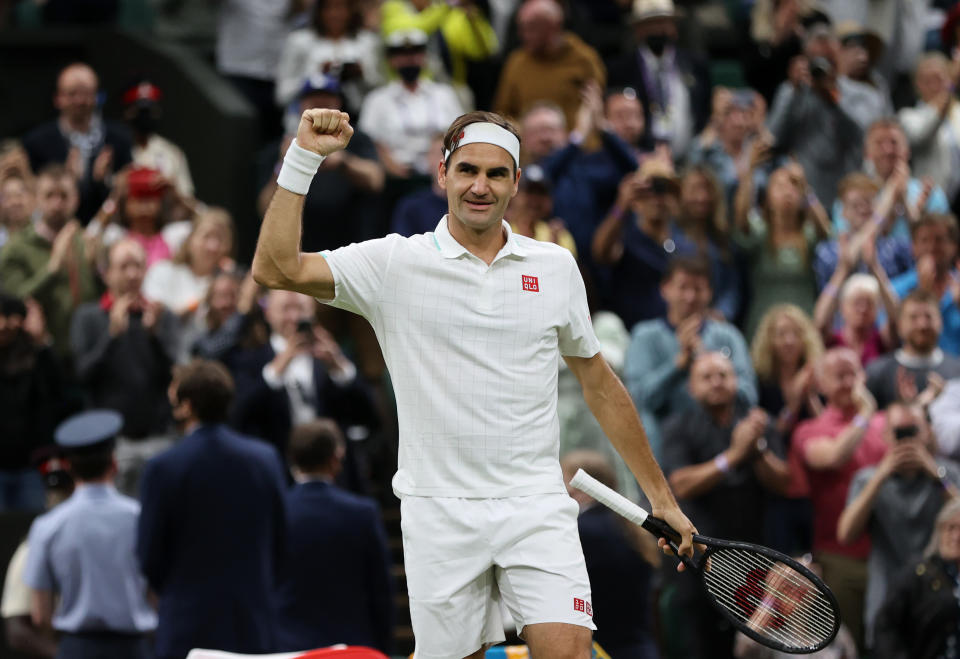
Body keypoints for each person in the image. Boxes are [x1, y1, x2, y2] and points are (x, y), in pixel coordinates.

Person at [251, 107, 698, 658]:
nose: (479, 186)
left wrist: (662, 498)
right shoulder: (394, 263)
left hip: (535, 505)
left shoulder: (556, 268)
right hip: (438, 512)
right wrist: (303, 160)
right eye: (467, 170)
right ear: (442, 175)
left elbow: (601, 385)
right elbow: (275, 269)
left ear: (515, 183)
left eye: (495, 173)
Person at [137, 359, 287, 659]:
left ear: (186, 406)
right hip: (253, 622)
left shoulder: (162, 467)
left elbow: (149, 556)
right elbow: (280, 542)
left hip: (187, 624)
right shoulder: (265, 458)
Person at [661, 351, 791, 658]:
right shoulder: (679, 426)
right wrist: (732, 457)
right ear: (691, 388)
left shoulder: (758, 424)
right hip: (698, 564)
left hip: (752, 562)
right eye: (707, 377)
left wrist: (757, 448)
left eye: (723, 375)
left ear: (737, 381)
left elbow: (784, 483)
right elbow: (680, 484)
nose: (716, 383)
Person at [23, 409, 157, 659]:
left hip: (76, 647)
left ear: (69, 468)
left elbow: (40, 613)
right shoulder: (140, 518)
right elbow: (156, 592)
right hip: (134, 647)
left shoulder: (48, 525)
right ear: (114, 464)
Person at [837, 401, 960, 646]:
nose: (907, 441)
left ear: (927, 430)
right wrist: (881, 476)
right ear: (884, 436)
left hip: (940, 600)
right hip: (886, 594)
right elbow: (846, 534)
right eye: (899, 433)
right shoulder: (868, 479)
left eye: (912, 431)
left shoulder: (948, 474)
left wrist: (936, 475)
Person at [791, 347, 888, 648]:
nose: (848, 383)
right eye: (839, 376)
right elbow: (832, 457)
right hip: (839, 557)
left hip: (888, 555)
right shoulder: (809, 429)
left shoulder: (885, 423)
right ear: (821, 385)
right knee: (845, 644)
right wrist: (864, 417)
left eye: (853, 374)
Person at [69, 239, 179, 497]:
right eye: (124, 267)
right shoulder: (89, 317)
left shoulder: (161, 315)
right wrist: (112, 336)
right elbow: (82, 376)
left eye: (138, 266)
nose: (133, 274)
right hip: (112, 443)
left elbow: (175, 374)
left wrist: (154, 338)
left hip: (158, 438)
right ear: (106, 273)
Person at [276, 419, 393, 653]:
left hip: (289, 645)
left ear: (292, 458)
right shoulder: (362, 513)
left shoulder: (275, 514)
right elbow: (381, 589)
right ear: (336, 458)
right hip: (353, 646)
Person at [624, 256, 756, 457]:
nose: (690, 297)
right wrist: (679, 365)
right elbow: (639, 399)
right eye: (683, 287)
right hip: (664, 445)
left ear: (710, 293)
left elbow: (749, 396)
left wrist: (712, 379)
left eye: (698, 289)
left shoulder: (728, 335)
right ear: (665, 289)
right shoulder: (645, 336)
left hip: (721, 441)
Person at [230, 288, 378, 459]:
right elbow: (239, 415)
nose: (294, 317)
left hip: (331, 464)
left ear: (312, 311)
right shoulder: (250, 360)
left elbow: (368, 414)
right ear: (268, 312)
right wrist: (276, 370)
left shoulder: (332, 356)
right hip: (278, 461)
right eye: (285, 309)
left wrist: (340, 367)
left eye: (300, 309)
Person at [260, 74, 385, 251]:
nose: (321, 110)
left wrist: (343, 162)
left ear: (338, 104)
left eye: (326, 102)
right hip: (300, 248)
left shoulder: (355, 139)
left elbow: (376, 180)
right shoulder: (284, 147)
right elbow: (265, 208)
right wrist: (286, 163)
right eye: (314, 103)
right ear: (301, 106)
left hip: (351, 247)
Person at [561, 450, 659, 659]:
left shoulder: (577, 532)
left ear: (584, 488)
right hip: (642, 650)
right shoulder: (633, 529)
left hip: (600, 652)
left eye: (564, 482)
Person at [0, 165, 97, 363]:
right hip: (37, 360)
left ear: (76, 199)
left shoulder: (85, 242)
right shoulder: (15, 248)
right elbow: (13, 304)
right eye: (49, 195)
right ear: (36, 199)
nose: (57, 203)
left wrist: (98, 269)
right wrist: (52, 268)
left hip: (87, 355)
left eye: (64, 196)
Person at [766, 18, 863, 208]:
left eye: (829, 61)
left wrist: (833, 100)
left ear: (838, 56)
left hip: (846, 197)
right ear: (805, 59)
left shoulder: (858, 93)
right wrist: (795, 92)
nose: (823, 69)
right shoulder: (790, 91)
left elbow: (862, 137)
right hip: (805, 198)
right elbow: (772, 140)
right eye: (817, 61)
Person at [750, 304, 824, 554]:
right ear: (770, 340)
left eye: (795, 333)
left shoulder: (817, 378)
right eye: (781, 334)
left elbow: (825, 427)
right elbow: (772, 433)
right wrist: (793, 403)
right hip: (776, 483)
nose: (789, 341)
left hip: (814, 480)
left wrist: (810, 395)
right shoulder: (762, 381)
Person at [20, 63, 133, 222]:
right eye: (72, 94)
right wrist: (64, 181)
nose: (80, 100)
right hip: (54, 225)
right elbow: (29, 193)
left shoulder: (119, 138)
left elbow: (128, 191)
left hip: (108, 225)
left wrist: (106, 181)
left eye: (87, 93)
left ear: (96, 96)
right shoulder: (36, 142)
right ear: (58, 98)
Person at [592, 158, 697, 328]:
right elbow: (600, 252)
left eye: (664, 190)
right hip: (628, 334)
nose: (657, 198)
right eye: (649, 191)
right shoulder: (625, 237)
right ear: (636, 199)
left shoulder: (684, 246)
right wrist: (622, 206)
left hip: (670, 334)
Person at [733, 160, 830, 340]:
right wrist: (749, 173)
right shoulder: (759, 232)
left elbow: (827, 234)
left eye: (793, 186)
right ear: (767, 197)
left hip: (804, 326)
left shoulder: (808, 234)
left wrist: (806, 189)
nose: (787, 192)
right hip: (764, 328)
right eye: (779, 186)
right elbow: (740, 225)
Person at [607, 0, 711, 159]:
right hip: (639, 161)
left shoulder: (695, 66)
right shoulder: (620, 71)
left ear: (673, 27)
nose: (657, 30)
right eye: (650, 24)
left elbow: (705, 110)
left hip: (691, 160)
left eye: (662, 22)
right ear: (638, 30)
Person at [359, 29, 464, 181]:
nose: (410, 60)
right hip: (396, 177)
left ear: (424, 57)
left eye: (416, 54)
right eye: (402, 55)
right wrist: (389, 165)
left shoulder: (444, 94)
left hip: (441, 175)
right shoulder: (377, 99)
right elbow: (369, 140)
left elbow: (460, 133)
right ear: (391, 60)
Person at [493, 0, 606, 131]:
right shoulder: (516, 62)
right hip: (527, 146)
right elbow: (502, 113)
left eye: (531, 27)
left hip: (575, 144)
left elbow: (594, 109)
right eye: (521, 27)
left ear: (554, 26)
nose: (523, 35)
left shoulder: (584, 59)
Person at [1, 454, 73, 658]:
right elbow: (16, 630)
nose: (56, 501)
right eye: (53, 494)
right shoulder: (34, 546)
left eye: (65, 493)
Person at [873, 497, 960, 659]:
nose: (956, 536)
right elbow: (886, 626)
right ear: (939, 531)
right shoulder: (918, 573)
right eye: (950, 528)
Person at [0, 293, 64, 512]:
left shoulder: (35, 356)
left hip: (30, 466)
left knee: (29, 530)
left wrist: (41, 341)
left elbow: (57, 391)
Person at [842, 119, 950, 240]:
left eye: (894, 143)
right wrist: (892, 196)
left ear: (907, 150)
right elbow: (845, 240)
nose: (888, 150)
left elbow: (941, 243)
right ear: (866, 152)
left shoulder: (932, 194)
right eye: (879, 143)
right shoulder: (852, 196)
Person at [275, 0, 383, 113]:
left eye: (341, 7)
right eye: (328, 8)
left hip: (356, 117)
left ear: (352, 10)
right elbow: (282, 95)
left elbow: (382, 90)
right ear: (318, 11)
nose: (334, 14)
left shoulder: (368, 42)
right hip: (309, 117)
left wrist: (361, 75)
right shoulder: (299, 41)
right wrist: (317, 76)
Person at [812, 171, 913, 291]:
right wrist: (886, 204)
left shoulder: (896, 248)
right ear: (843, 212)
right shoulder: (828, 251)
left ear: (877, 206)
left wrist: (903, 201)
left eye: (868, 202)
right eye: (856, 205)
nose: (863, 209)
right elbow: (849, 258)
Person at [865, 290, 960, 409]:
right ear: (899, 325)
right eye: (913, 318)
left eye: (928, 317)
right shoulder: (877, 372)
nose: (922, 325)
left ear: (940, 322)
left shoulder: (957, 371)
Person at [675, 164, 741, 321]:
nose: (701, 198)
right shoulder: (669, 236)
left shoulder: (722, 240)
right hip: (675, 318)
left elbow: (732, 287)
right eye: (694, 190)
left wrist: (722, 312)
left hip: (714, 322)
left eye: (706, 190)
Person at [890, 213, 960, 355]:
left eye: (939, 240)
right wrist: (923, 295)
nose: (932, 247)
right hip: (916, 370)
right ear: (913, 247)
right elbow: (891, 339)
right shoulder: (896, 289)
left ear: (953, 246)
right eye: (924, 240)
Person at [898, 53, 960, 201]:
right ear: (917, 86)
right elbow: (922, 135)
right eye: (927, 80)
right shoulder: (908, 116)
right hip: (932, 199)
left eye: (939, 79)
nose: (934, 85)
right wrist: (950, 88)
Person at [123, 81, 195, 198]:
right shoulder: (115, 150)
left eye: (149, 111)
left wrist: (172, 189)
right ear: (128, 112)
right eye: (140, 111)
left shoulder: (172, 152)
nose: (144, 116)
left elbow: (187, 198)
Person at [835, 22, 892, 132]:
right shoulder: (829, 82)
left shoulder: (878, 83)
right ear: (838, 50)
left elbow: (889, 119)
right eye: (853, 48)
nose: (863, 56)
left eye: (864, 48)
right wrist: (842, 73)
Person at [0, 172, 35, 250]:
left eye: (19, 195)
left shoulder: (40, 231)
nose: (14, 202)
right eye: (8, 197)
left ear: (31, 199)